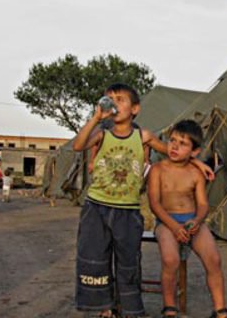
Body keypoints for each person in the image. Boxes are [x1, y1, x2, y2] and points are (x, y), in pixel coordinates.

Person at [72, 83, 214, 318]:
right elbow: (78, 146)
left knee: (128, 260)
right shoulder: (102, 133)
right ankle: (105, 308)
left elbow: (171, 153)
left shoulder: (142, 136)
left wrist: (197, 162)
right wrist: (97, 117)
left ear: (135, 109)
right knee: (97, 256)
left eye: (120, 99)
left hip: (127, 210)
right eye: (109, 99)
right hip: (96, 207)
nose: (113, 103)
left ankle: (129, 308)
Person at [148, 120, 227, 318]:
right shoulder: (158, 169)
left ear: (194, 152)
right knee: (170, 259)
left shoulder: (196, 172)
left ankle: (220, 309)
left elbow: (203, 204)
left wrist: (196, 221)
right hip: (166, 221)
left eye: (183, 143)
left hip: (191, 221)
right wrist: (173, 226)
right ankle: (169, 307)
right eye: (172, 140)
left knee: (214, 259)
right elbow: (154, 204)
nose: (175, 146)